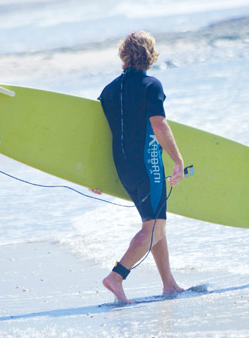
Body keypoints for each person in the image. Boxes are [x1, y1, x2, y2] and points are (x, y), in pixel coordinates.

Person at [92, 31, 185, 304]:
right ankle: (117, 276)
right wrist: (178, 161)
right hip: (148, 165)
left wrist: (93, 175)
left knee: (154, 224)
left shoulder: (108, 91)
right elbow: (159, 125)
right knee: (155, 227)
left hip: (124, 168)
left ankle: (169, 284)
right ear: (150, 55)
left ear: (124, 55)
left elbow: (98, 136)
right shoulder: (151, 85)